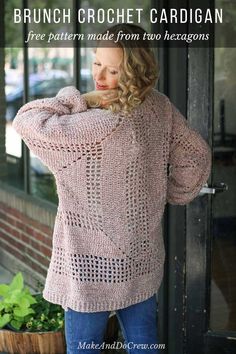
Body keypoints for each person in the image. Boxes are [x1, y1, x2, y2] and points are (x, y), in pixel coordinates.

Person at [12, 24, 212, 354]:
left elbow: (26, 120)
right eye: (96, 63)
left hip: (88, 265)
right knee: (145, 344)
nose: (101, 76)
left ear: (135, 69)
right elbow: (196, 154)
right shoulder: (158, 106)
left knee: (85, 349)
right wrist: (173, 193)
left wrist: (77, 98)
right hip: (141, 258)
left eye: (114, 69)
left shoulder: (96, 123)